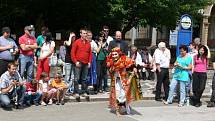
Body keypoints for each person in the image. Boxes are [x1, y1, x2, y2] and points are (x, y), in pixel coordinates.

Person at [106, 47, 142, 116]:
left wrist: (134, 68)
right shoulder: (110, 61)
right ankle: (117, 110)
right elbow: (109, 70)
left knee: (124, 94)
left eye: (115, 54)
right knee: (116, 95)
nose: (114, 56)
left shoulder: (124, 59)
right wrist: (112, 68)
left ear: (119, 54)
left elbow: (132, 63)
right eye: (113, 55)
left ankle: (124, 106)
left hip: (124, 80)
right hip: (115, 81)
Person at [71, 28, 92, 102]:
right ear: (80, 34)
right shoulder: (76, 42)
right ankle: (76, 92)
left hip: (86, 63)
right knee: (76, 78)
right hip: (78, 63)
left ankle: (83, 91)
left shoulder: (88, 43)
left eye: (86, 33)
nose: (85, 35)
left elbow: (90, 54)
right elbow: (72, 53)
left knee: (84, 79)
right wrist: (75, 61)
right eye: (84, 33)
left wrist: (89, 62)